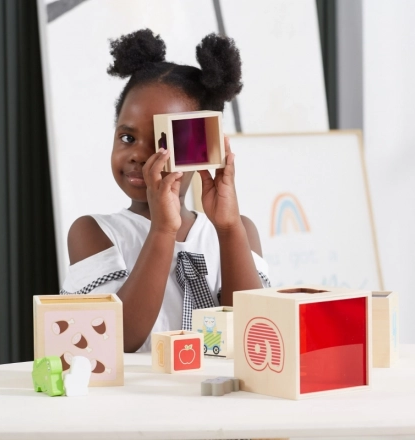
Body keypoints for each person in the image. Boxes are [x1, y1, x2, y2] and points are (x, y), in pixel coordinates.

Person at [61, 29, 270, 353]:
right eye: (128, 137)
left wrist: (229, 230)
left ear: (202, 148)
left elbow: (254, 334)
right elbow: (116, 340)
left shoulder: (237, 232)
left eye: (162, 142)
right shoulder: (92, 233)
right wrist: (162, 230)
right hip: (135, 401)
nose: (138, 155)